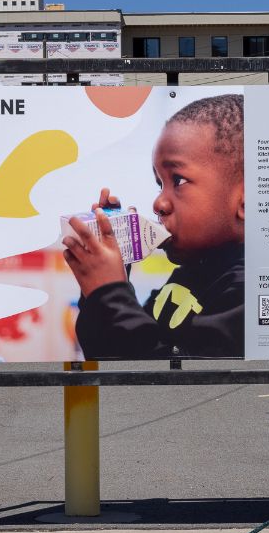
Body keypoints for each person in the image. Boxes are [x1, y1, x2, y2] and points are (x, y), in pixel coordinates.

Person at [62, 93, 245, 359]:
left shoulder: (247, 292)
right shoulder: (190, 276)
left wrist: (110, 294)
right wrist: (103, 289)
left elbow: (169, 383)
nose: (158, 202)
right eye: (160, 184)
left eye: (178, 181)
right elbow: (111, 355)